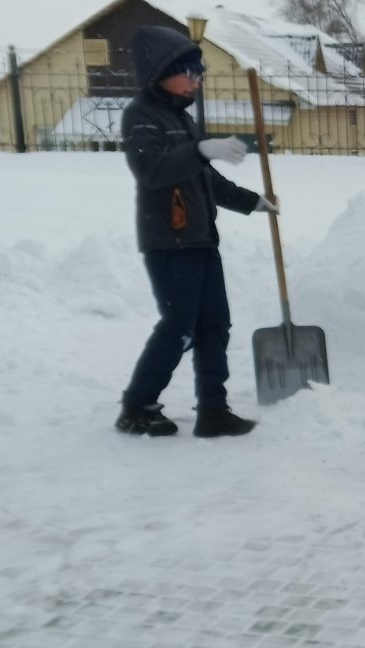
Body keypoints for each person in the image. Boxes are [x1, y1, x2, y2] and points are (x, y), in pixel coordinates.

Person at [116, 26, 276, 438]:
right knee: (180, 325)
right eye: (188, 71)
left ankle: (213, 411)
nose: (196, 79)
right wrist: (200, 149)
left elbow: (206, 181)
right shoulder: (140, 116)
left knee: (214, 325)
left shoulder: (181, 119)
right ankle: (137, 405)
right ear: (160, 71)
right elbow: (151, 170)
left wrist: (253, 201)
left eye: (199, 72)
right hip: (168, 241)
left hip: (202, 239)